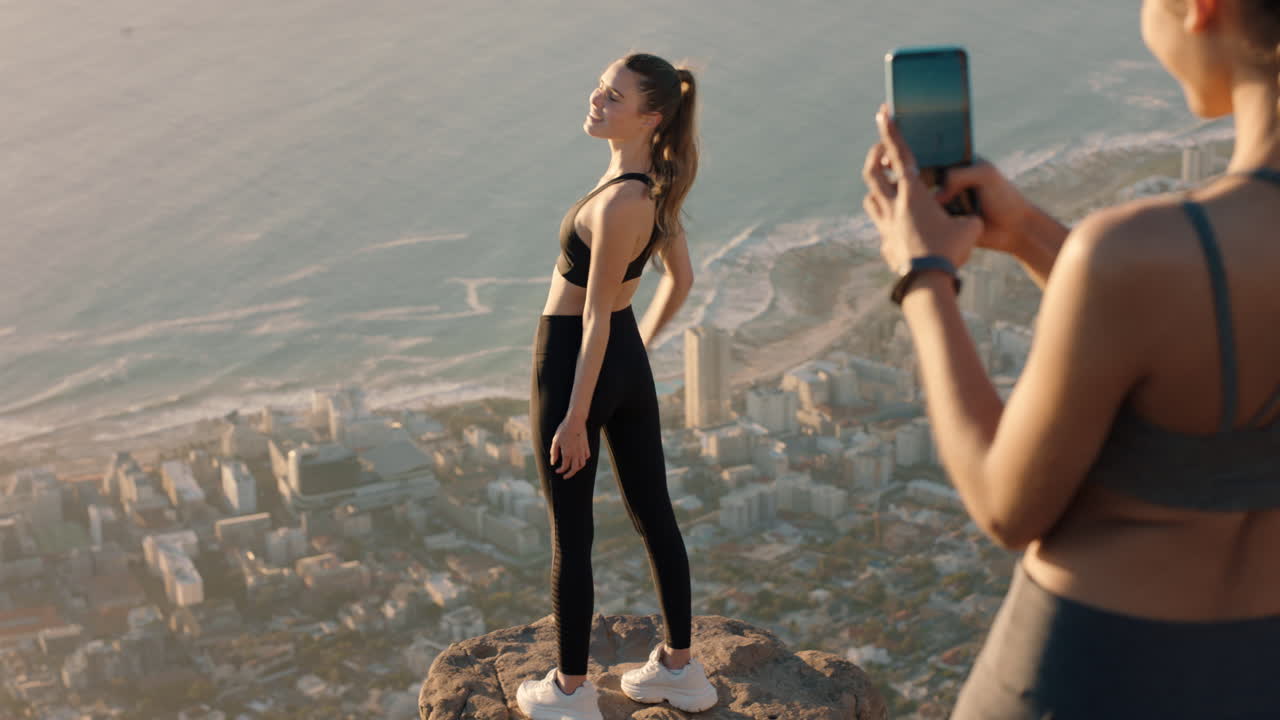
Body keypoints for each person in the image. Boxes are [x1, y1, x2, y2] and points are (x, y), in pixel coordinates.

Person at [861, 0, 1280, 717]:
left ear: (1201, 8)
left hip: (1088, 672)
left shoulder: (1139, 251)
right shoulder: (1158, 262)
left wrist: (923, 273)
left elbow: (1004, 505)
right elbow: (1198, 330)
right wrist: (1026, 231)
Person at [515, 53, 718, 720]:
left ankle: (572, 690)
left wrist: (576, 417)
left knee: (572, 533)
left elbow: (594, 315)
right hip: (620, 355)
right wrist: (638, 351)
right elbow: (680, 280)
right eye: (601, 88)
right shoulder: (656, 186)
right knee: (654, 513)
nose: (597, 100)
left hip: (573, 359)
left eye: (613, 97)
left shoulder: (619, 201)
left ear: (649, 117)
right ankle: (681, 672)